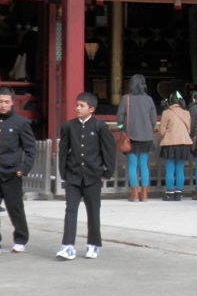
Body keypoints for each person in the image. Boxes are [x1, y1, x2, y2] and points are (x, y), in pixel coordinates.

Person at [56, 92, 115, 260]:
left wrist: (107, 172)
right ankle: (67, 246)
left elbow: (108, 150)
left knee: (93, 211)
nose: (78, 108)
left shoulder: (99, 127)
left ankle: (93, 244)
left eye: (82, 106)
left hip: (92, 176)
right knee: (70, 210)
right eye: (77, 105)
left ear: (91, 109)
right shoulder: (69, 126)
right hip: (73, 176)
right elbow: (63, 151)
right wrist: (64, 172)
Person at [0, 85, 36, 257]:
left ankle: (21, 239)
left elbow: (30, 149)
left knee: (15, 209)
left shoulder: (21, 123)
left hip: (12, 173)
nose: (3, 105)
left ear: (12, 102)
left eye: (6, 102)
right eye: (0, 102)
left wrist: (24, 168)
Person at [116, 74, 158, 202]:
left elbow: (120, 118)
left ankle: (134, 194)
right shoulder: (149, 99)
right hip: (146, 137)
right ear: (143, 85)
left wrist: (122, 129)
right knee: (143, 165)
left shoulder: (126, 98)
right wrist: (147, 128)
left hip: (131, 136)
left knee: (132, 165)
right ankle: (144, 194)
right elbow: (153, 120)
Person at [156, 91, 192, 201]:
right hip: (183, 143)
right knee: (180, 169)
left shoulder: (167, 112)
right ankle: (179, 193)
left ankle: (169, 193)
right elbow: (189, 129)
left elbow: (162, 131)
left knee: (170, 169)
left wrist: (161, 136)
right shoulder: (186, 113)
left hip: (170, 143)